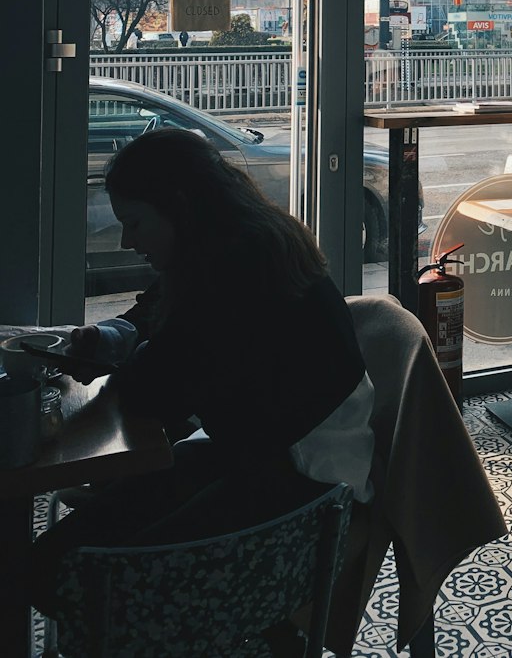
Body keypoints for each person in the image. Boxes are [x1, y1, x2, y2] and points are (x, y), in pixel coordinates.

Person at [32, 127, 374, 658]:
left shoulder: (232, 272)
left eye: (135, 223)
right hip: (292, 464)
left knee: (58, 568)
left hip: (296, 494)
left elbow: (155, 396)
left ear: (180, 206)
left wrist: (120, 356)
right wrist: (113, 336)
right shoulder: (242, 239)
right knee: (61, 557)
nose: (127, 242)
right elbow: (158, 313)